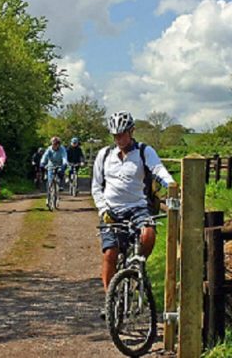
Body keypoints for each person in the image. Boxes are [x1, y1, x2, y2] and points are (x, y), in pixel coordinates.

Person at [91, 111, 175, 318]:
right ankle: (110, 300)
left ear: (131, 132)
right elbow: (96, 186)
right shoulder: (104, 155)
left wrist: (171, 184)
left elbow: (158, 169)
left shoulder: (144, 151)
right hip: (111, 210)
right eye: (115, 135)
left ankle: (138, 268)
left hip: (138, 207)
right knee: (110, 254)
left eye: (122, 134)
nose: (119, 139)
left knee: (148, 234)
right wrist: (103, 209)